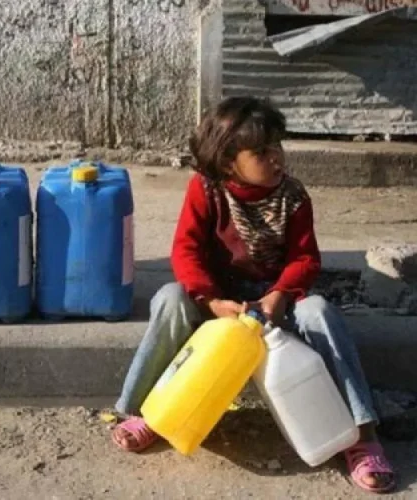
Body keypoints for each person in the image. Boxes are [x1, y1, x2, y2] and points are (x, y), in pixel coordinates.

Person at [111, 97, 396, 494]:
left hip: (276, 302)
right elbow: (186, 251)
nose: (275, 158)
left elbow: (305, 257)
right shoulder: (206, 191)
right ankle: (146, 412)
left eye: (277, 146)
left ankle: (363, 436)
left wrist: (279, 295)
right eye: (261, 152)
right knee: (169, 299)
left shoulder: (293, 197)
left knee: (319, 312)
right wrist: (210, 301)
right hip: (218, 301)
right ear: (229, 162)